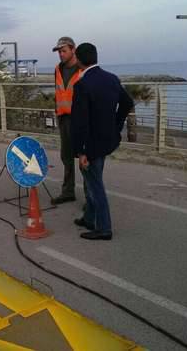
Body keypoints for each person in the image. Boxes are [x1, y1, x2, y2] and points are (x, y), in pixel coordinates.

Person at [71, 43, 133, 240]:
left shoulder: (82, 85)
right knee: (91, 179)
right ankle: (89, 217)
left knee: (95, 184)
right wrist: (116, 125)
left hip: (91, 144)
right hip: (107, 140)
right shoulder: (111, 78)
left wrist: (81, 152)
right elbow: (127, 103)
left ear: (78, 60)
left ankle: (104, 228)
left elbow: (80, 122)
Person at [51, 36, 83, 205]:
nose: (61, 55)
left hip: (79, 119)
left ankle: (90, 197)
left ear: (73, 50)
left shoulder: (82, 69)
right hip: (63, 117)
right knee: (66, 156)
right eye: (59, 52)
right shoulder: (57, 69)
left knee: (84, 157)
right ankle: (68, 191)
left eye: (64, 51)